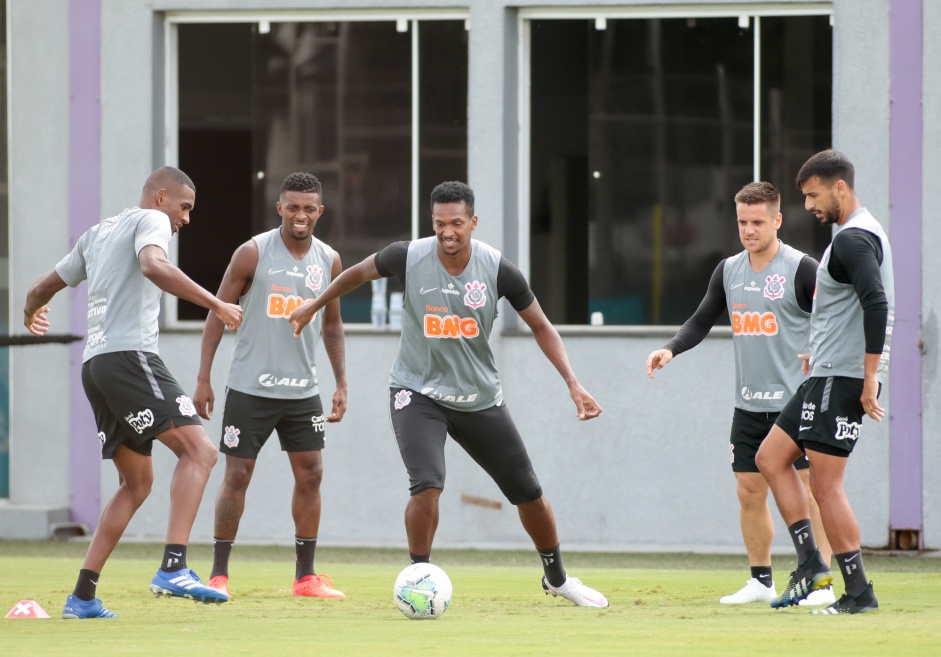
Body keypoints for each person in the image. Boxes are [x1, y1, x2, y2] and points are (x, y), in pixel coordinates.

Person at [289, 181, 609, 607]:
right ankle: (419, 575)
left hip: (478, 398)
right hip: (416, 392)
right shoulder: (407, 255)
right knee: (427, 486)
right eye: (439, 223)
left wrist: (573, 383)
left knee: (528, 492)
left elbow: (541, 326)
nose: (447, 232)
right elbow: (355, 275)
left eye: (456, 223)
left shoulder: (499, 270)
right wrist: (314, 303)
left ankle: (557, 579)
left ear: (473, 222)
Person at [23, 167, 243, 619]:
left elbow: (41, 288)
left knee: (136, 483)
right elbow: (153, 264)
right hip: (130, 358)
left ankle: (82, 597)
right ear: (162, 197)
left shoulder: (97, 233)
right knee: (200, 452)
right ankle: (174, 566)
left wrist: (32, 311)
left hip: (96, 367)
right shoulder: (153, 221)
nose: (186, 219)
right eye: (185, 208)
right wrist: (216, 303)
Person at [645, 182, 834, 606]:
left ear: (778, 221)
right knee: (749, 491)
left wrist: (820, 357)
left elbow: (834, 319)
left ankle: (821, 581)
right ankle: (760, 580)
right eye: (742, 223)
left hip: (796, 403)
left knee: (809, 492)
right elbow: (701, 319)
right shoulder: (728, 270)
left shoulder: (802, 268)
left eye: (757, 222)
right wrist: (670, 349)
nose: (749, 230)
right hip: (748, 405)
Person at [194, 172, 347, 599]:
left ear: (320, 211)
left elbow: (333, 327)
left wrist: (341, 383)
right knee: (237, 474)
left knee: (312, 474)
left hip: (302, 392)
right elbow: (216, 314)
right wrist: (204, 378)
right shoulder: (252, 253)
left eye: (309, 208)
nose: (301, 215)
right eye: (293, 207)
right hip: (249, 388)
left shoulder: (330, 260)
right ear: (280, 208)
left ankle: (306, 577)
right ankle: (219, 575)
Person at [755, 150, 894, 614]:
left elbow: (876, 303)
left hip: (845, 379)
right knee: (770, 457)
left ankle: (858, 594)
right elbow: (852, 306)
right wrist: (822, 343)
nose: (809, 206)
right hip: (826, 373)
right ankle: (812, 564)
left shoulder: (854, 239)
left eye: (813, 195)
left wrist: (870, 376)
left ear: (839, 188)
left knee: (825, 486)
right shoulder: (855, 236)